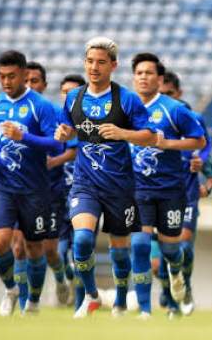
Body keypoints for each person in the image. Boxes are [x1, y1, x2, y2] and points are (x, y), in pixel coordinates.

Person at [54, 37, 156, 319]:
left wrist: (124, 134)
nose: (94, 67)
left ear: (113, 65)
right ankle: (91, 295)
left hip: (120, 187)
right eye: (89, 61)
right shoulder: (74, 97)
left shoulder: (127, 99)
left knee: (120, 251)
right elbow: (70, 128)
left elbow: (151, 136)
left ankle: (121, 300)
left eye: (100, 62)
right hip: (85, 184)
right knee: (83, 240)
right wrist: (65, 134)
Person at [0, 50, 60, 316]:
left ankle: (33, 302)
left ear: (25, 75)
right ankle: (11, 289)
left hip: (35, 189)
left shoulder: (41, 106)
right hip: (3, 186)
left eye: (11, 76)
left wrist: (24, 136)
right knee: (1, 242)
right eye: (1, 76)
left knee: (35, 248)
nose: (6, 82)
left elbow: (56, 145)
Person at [127, 53, 205, 318]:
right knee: (139, 245)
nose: (144, 78)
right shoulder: (124, 109)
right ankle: (145, 310)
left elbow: (199, 142)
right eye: (139, 73)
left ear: (159, 79)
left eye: (149, 73)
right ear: (133, 78)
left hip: (171, 190)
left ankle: (176, 275)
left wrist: (167, 144)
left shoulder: (174, 109)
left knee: (172, 249)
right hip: (137, 190)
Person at [161, 70, 212, 315]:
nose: (166, 99)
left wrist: (205, 183)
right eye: (162, 95)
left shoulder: (190, 123)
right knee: (155, 263)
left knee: (182, 246)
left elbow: (205, 150)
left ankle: (182, 293)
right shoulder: (147, 125)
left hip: (185, 198)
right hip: (153, 196)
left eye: (169, 94)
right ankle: (169, 290)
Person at [25, 61, 74, 305]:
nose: (30, 85)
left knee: (49, 249)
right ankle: (23, 300)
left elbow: (71, 148)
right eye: (26, 80)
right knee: (15, 246)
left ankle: (60, 278)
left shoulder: (55, 113)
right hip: (18, 189)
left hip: (50, 191)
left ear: (44, 85)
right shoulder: (8, 110)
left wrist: (51, 162)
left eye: (34, 81)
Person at [56, 74, 86, 307]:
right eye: (64, 92)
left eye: (72, 92)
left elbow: (74, 151)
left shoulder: (88, 121)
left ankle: (80, 303)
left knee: (80, 250)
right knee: (57, 252)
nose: (68, 96)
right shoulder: (53, 119)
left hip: (83, 194)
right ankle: (64, 278)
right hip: (56, 195)